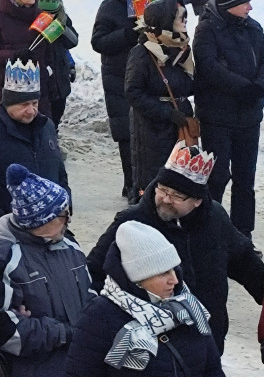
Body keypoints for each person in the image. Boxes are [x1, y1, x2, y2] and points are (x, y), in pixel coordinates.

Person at [86, 140, 264, 355]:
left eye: (177, 195)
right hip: (155, 342)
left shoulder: (215, 218)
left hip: (209, 337)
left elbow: (243, 260)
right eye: (163, 189)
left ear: (197, 201)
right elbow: (93, 271)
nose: (166, 199)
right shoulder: (132, 221)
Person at [66, 222, 223, 377]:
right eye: (163, 273)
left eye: (174, 269)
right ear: (138, 279)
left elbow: (212, 368)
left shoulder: (187, 306)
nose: (174, 280)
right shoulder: (100, 316)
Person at [0, 165, 93, 377]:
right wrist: (63, 333)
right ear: (41, 221)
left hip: (79, 363)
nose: (68, 220)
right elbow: (4, 332)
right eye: (63, 215)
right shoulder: (2, 258)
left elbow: (91, 294)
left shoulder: (70, 245)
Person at [192, 0, 264, 237]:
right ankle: (210, 232)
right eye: (245, 3)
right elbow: (209, 67)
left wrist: (257, 88)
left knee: (245, 179)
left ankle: (242, 235)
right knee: (217, 176)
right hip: (217, 117)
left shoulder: (254, 28)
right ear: (230, 5)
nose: (250, 7)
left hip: (249, 116)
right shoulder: (207, 29)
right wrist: (242, 88)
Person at [0, 58, 69, 216]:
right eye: (24, 104)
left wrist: (65, 207)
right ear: (8, 102)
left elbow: (60, 175)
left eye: (34, 103)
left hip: (52, 222)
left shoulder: (47, 127)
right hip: (8, 224)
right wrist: (2, 220)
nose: (31, 110)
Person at [92, 0, 153, 204]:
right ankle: (131, 185)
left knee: (150, 133)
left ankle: (147, 185)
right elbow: (98, 42)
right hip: (119, 76)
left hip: (150, 74)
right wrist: (129, 33)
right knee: (128, 134)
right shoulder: (110, 5)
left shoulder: (155, 1)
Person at [125, 0, 194, 194]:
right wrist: (167, 113)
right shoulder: (142, 52)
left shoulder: (181, 49)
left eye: (185, 17)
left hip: (179, 122)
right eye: (180, 17)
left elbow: (187, 86)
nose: (185, 21)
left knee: (180, 178)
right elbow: (133, 92)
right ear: (166, 21)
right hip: (152, 127)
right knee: (154, 180)